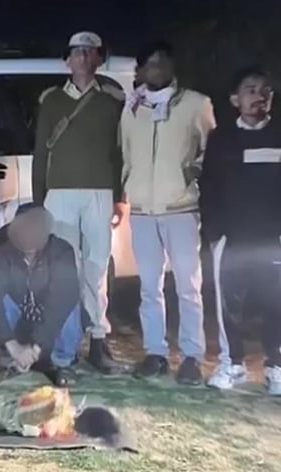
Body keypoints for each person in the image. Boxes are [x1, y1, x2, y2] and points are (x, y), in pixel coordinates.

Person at [121, 42, 215, 385]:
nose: (156, 69)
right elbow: (126, 153)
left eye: (162, 63)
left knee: (189, 286)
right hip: (143, 210)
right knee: (150, 287)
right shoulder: (132, 107)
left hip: (181, 208)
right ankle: (155, 352)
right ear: (141, 70)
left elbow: (211, 149)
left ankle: (192, 356)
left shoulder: (196, 104)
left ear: (172, 67)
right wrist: (128, 186)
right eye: (150, 64)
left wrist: (191, 174)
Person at [32, 32, 125, 374]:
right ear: (67, 60)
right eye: (77, 52)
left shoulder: (112, 100)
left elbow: (119, 153)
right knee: (62, 269)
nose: (84, 58)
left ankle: (99, 339)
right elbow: (41, 153)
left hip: (100, 192)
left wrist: (120, 197)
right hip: (60, 194)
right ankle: (63, 343)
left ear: (99, 59)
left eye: (90, 52)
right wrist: (38, 201)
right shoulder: (51, 100)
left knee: (97, 267)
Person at [200, 66, 281, 395]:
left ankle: (276, 369)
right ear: (235, 99)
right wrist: (214, 232)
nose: (259, 96)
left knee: (275, 304)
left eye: (265, 91)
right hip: (231, 238)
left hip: (273, 239)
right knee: (228, 307)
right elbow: (208, 186)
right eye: (251, 90)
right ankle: (233, 364)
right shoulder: (221, 139)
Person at [0, 203, 83, 387]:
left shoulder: (61, 251)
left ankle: (63, 363)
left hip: (48, 323)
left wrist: (35, 348)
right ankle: (9, 361)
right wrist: (13, 347)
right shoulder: (3, 253)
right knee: (0, 299)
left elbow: (61, 302)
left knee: (69, 302)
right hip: (22, 322)